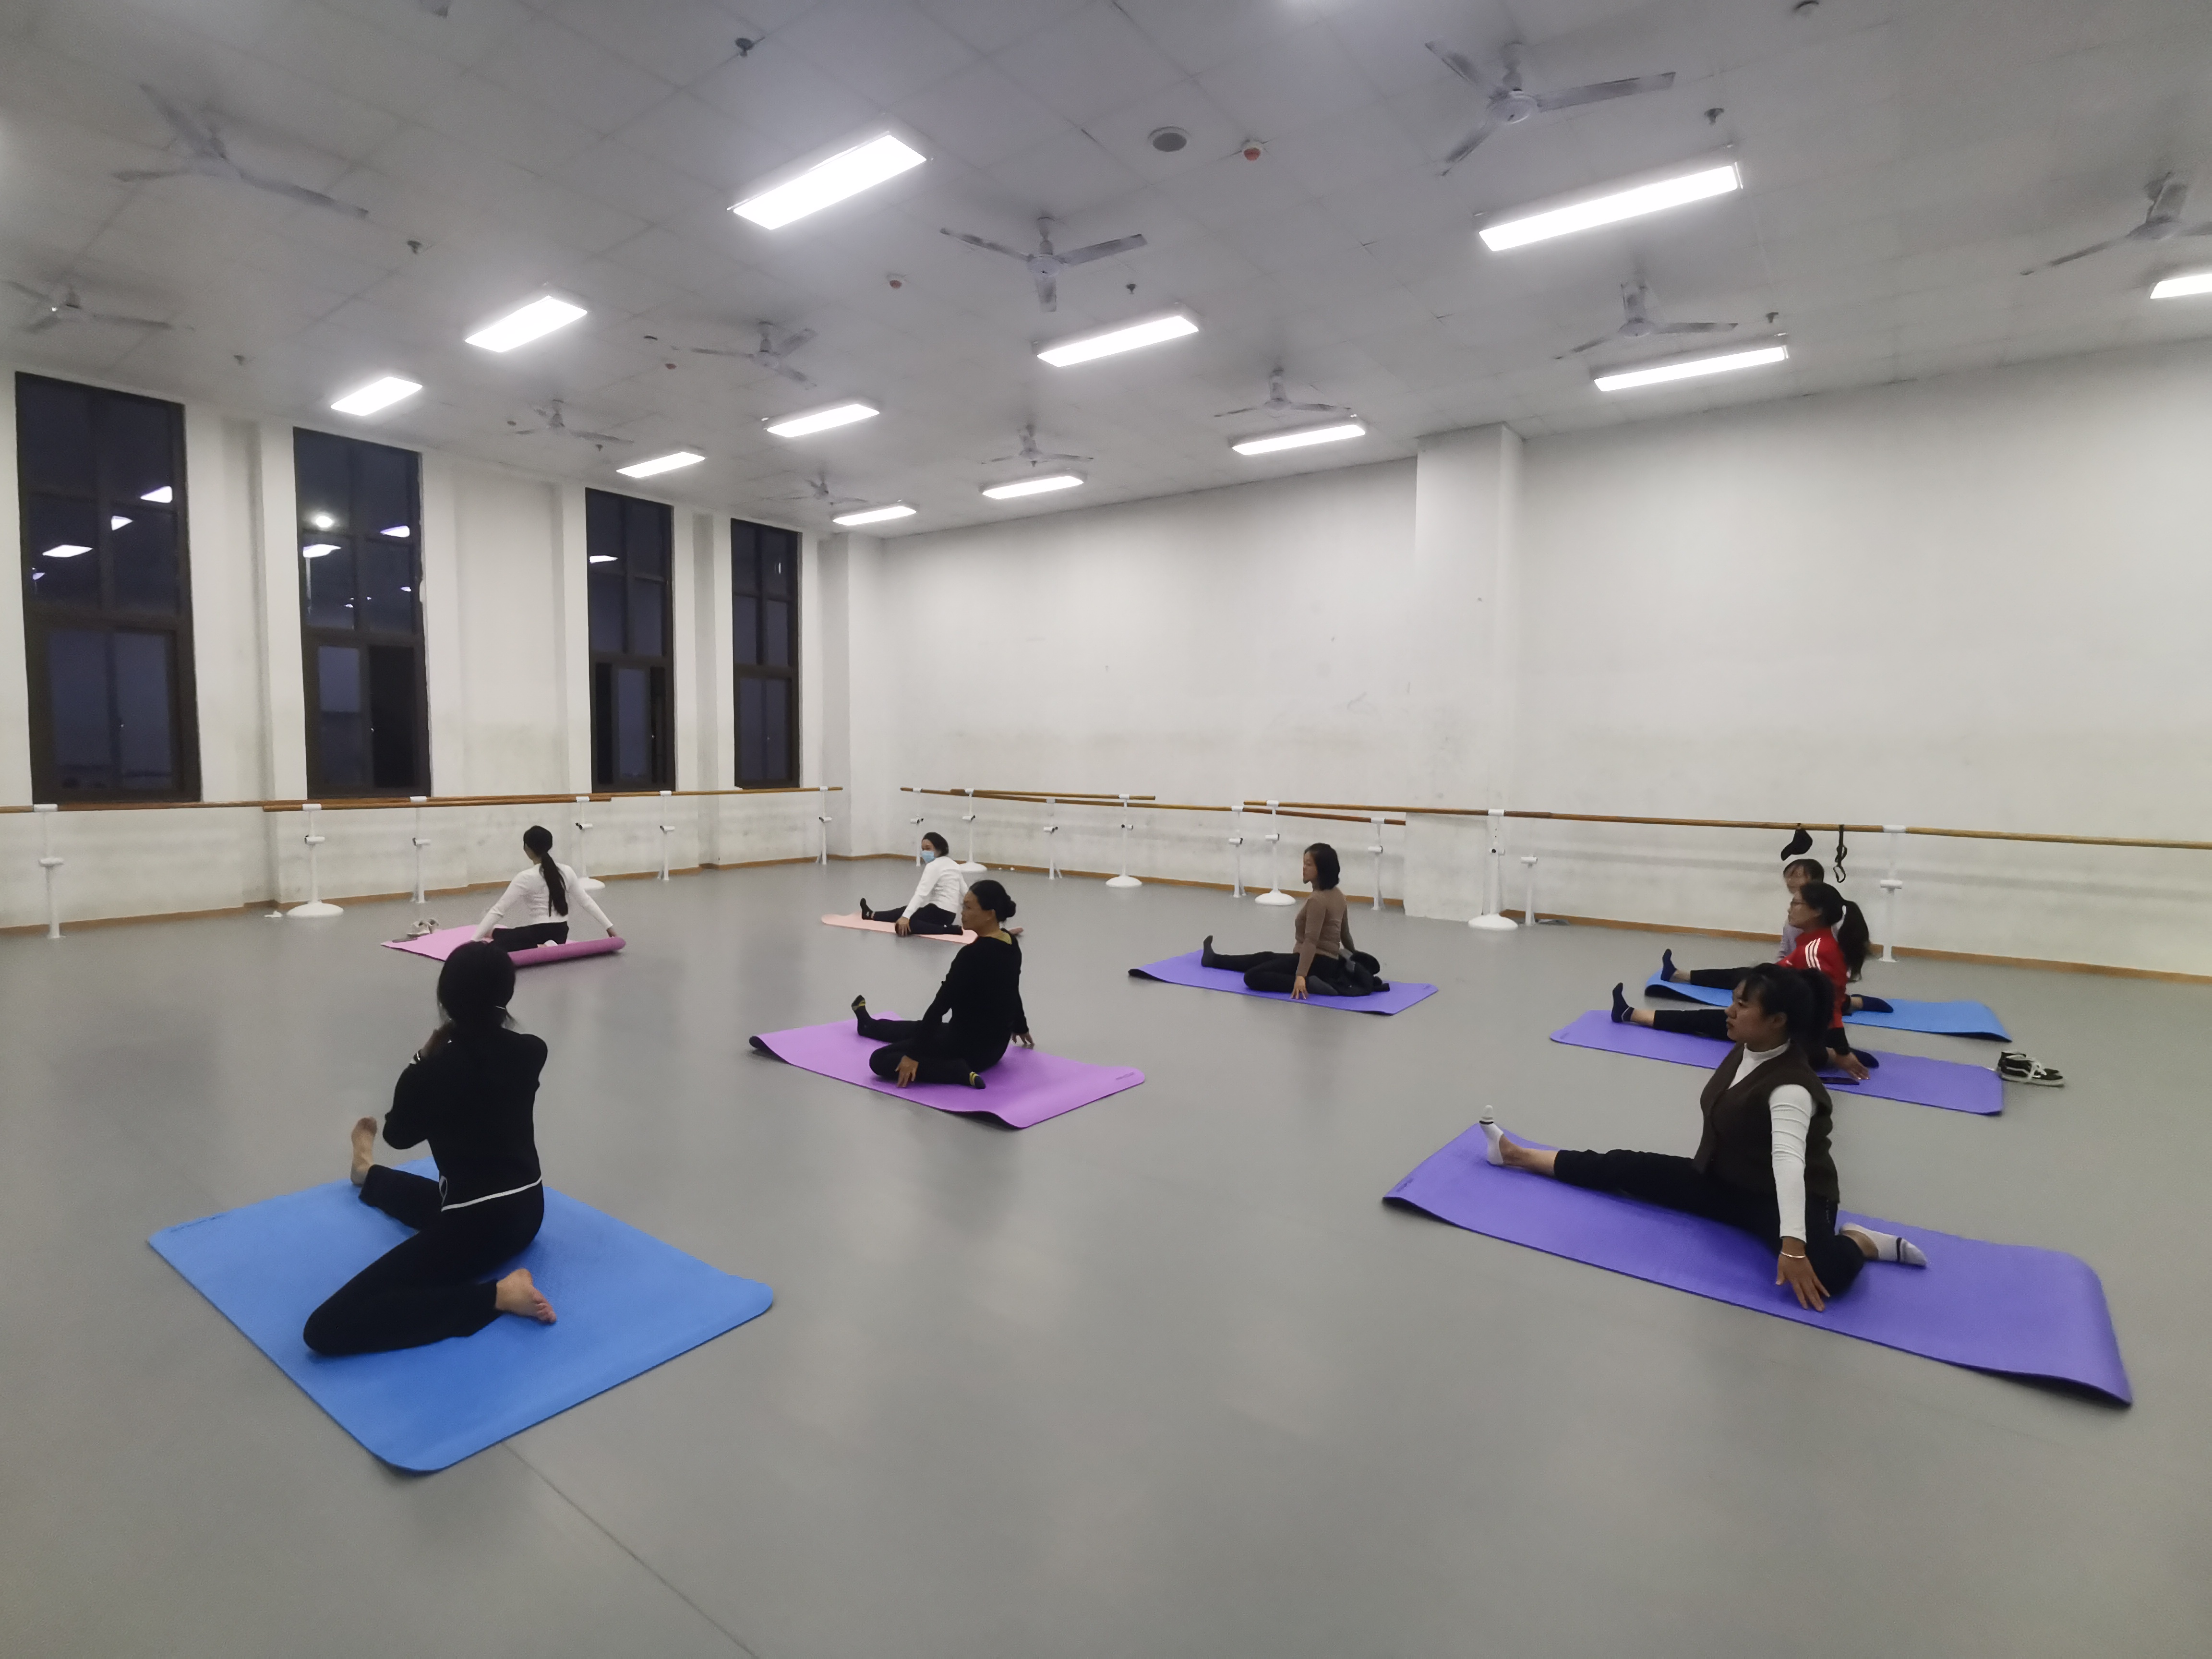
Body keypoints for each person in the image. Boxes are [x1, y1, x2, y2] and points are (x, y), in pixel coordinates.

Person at [1487, 962, 1927, 1312]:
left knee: (1824, 1274)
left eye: (1742, 1005)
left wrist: (1794, 1248)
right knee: (1626, 1166)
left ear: (1777, 1021)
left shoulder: (1791, 1087)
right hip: (1722, 1180)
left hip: (1783, 1200)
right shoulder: (1751, 1044)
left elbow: (1789, 1164)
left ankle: (1860, 1241)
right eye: (1733, 1001)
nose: (1729, 1012)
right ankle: (1520, 1156)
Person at [303, 943, 557, 1356]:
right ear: (507, 994)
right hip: (528, 1214)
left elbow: (399, 1135)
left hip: (476, 1229)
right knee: (430, 1196)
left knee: (324, 1329)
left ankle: (498, 1295)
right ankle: (367, 1172)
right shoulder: (533, 1050)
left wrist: (422, 1059)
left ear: (445, 1000)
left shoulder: (433, 1074)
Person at [1614, 881, 1874, 1079]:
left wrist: (1841, 1051)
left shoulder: (1815, 950)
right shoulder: (1814, 943)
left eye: (1796, 903)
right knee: (1727, 1002)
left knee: (1711, 1020)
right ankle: (1636, 1011)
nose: (1790, 908)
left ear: (1816, 911)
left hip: (1791, 1030)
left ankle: (1631, 1014)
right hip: (1784, 1020)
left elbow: (1830, 1004)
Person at [851, 879, 1031, 1088]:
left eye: (968, 907)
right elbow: (1012, 988)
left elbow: (941, 1005)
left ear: (990, 914)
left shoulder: (972, 955)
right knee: (918, 1029)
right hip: (995, 1049)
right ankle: (869, 1026)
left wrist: (913, 1055)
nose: (962, 912)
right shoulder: (1010, 943)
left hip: (967, 1049)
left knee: (880, 1060)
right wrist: (1020, 1026)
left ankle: (955, 1071)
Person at [1199, 842, 1388, 998]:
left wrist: (1300, 976)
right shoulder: (1338, 895)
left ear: (1322, 869)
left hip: (1316, 963)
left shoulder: (1317, 901)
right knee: (1264, 958)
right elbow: (1344, 934)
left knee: (1253, 977)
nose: (1303, 868)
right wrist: (1354, 956)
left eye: (1309, 864)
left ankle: (1311, 984)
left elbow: (1311, 941)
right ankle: (1214, 960)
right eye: (1304, 863)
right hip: (1327, 963)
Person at [475, 824, 616, 952]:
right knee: (507, 934)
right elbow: (586, 902)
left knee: (493, 947)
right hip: (561, 933)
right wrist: (609, 927)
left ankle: (539, 946)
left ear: (526, 848)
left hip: (537, 934)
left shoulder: (525, 877)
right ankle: (494, 932)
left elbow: (499, 910)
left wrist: (472, 942)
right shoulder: (567, 871)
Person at [861, 832, 965, 937]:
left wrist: (906, 917)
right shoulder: (954, 865)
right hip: (950, 916)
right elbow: (965, 891)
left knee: (905, 925)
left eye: (928, 848)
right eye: (923, 849)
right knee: (904, 910)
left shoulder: (933, 866)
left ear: (939, 848)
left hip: (938, 912)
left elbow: (921, 894)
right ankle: (871, 914)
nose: (925, 852)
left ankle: (948, 929)